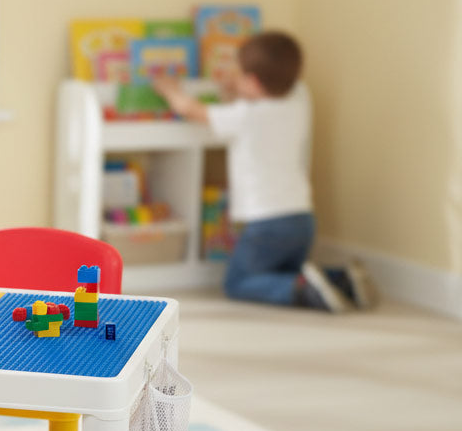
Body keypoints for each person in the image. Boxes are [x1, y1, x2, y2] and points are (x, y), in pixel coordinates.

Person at [153, 31, 374, 312]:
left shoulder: (247, 117)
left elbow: (191, 109)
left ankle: (302, 289)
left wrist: (170, 89)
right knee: (279, 272)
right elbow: (269, 90)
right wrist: (239, 86)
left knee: (239, 282)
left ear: (254, 82)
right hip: (303, 220)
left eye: (241, 74)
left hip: (265, 225)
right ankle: (339, 279)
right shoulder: (299, 99)